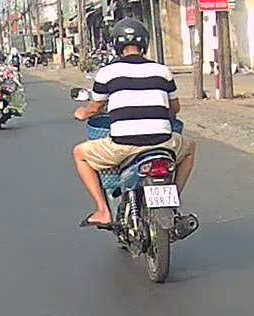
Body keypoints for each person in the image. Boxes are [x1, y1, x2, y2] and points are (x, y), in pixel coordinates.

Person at [71, 18, 196, 229]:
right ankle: (173, 201)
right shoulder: (162, 71)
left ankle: (103, 211)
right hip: (163, 144)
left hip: (123, 146)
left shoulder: (107, 72)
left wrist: (82, 113)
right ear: (144, 43)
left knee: (79, 154)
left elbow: (95, 108)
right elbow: (174, 109)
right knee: (190, 147)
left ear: (116, 44)